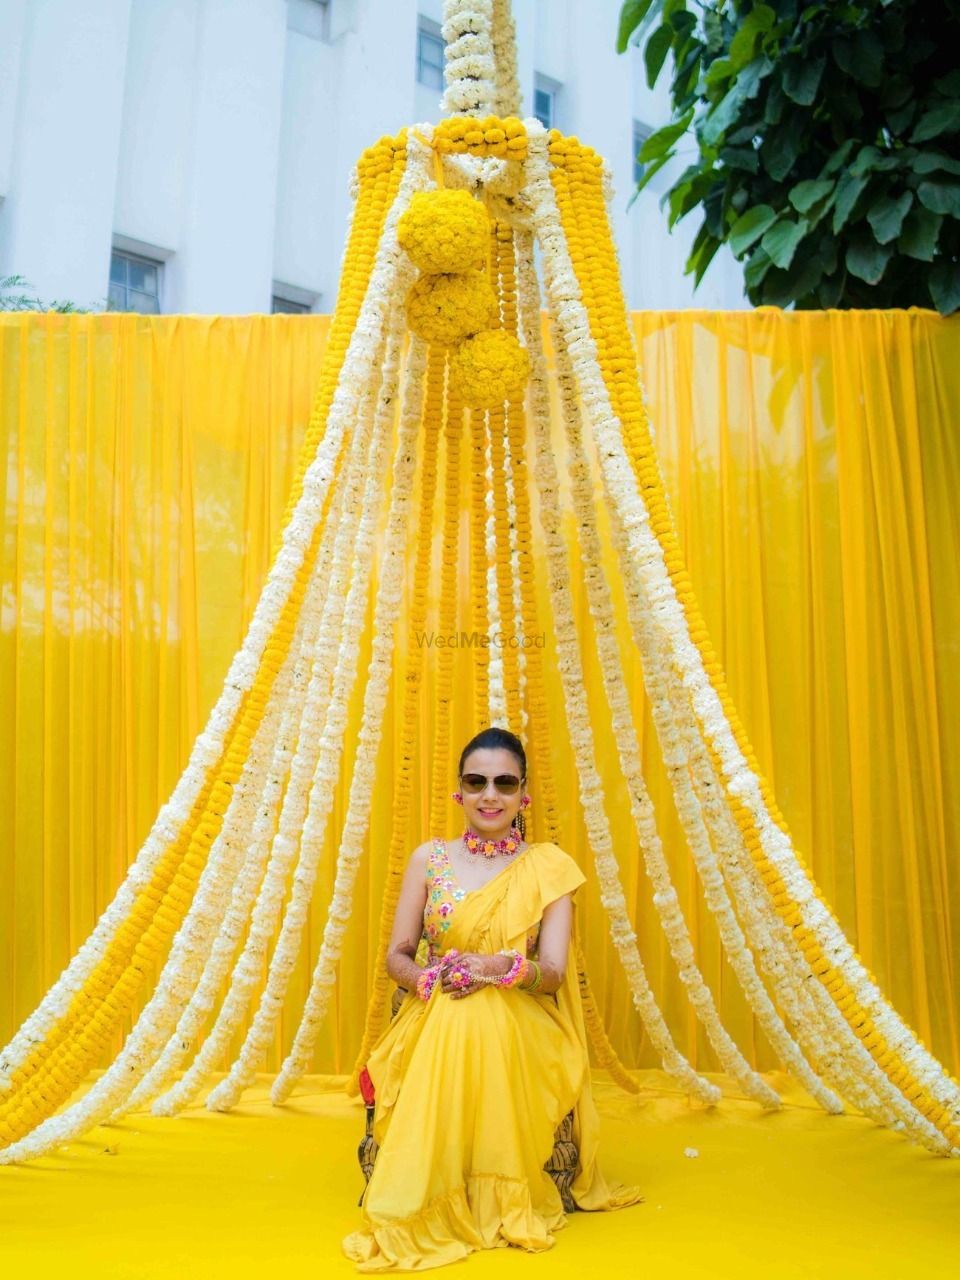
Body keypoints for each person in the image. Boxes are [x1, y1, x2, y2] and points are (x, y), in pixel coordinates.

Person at [341, 726, 644, 1272]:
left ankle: (438, 1199)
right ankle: (457, 1198)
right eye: (477, 782)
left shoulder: (548, 867)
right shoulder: (428, 859)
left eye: (504, 783)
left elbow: (551, 974)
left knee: (476, 1008)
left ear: (524, 795)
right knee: (460, 1010)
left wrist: (496, 968)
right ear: (458, 791)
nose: (490, 795)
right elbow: (398, 955)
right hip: (434, 1006)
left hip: (521, 1018)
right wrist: (430, 980)